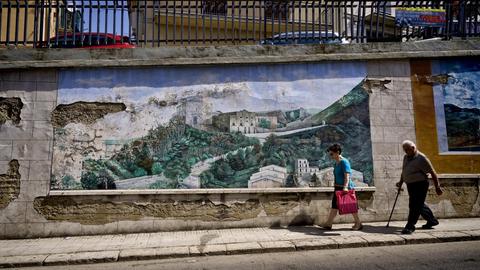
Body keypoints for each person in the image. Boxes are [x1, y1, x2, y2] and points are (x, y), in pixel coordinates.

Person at [396, 140, 443, 235]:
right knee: (419, 204)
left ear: (413, 148)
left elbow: (433, 172)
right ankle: (432, 220)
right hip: (410, 184)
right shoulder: (406, 157)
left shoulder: (421, 158)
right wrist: (401, 182)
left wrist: (437, 187)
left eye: (407, 150)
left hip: (420, 184)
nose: (405, 152)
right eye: (404, 150)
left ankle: (410, 226)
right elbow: (404, 171)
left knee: (414, 205)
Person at [321, 144, 363, 230]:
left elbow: (347, 175)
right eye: (330, 154)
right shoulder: (336, 163)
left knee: (350, 206)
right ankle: (328, 224)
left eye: (332, 154)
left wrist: (345, 187)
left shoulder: (344, 162)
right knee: (334, 206)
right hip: (337, 188)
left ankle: (358, 223)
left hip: (345, 188)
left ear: (337, 152)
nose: (330, 156)